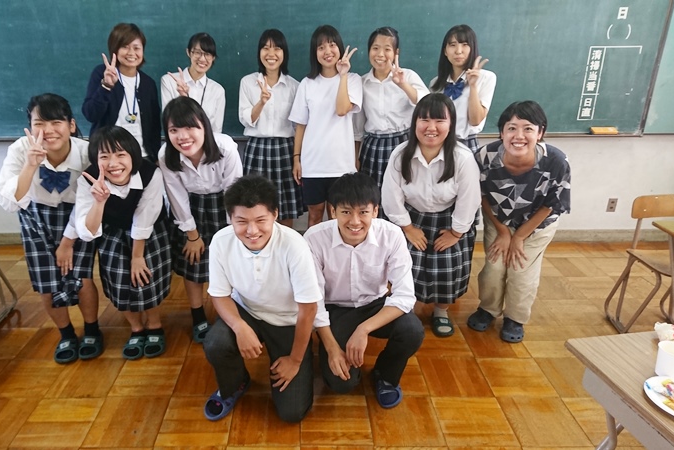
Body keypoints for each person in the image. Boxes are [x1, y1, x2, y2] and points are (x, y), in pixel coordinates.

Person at [202, 174, 320, 423]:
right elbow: (219, 295)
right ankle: (235, 383)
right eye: (241, 221)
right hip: (247, 311)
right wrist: (239, 326)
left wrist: (295, 360)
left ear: (275, 214)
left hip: (288, 320)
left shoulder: (294, 245)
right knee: (215, 343)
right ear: (230, 218)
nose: (252, 231)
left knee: (292, 412)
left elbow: (308, 309)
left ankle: (302, 358)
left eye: (260, 220)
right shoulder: (221, 241)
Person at [0, 93, 101, 364]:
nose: (48, 131)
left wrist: (67, 243)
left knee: (81, 277)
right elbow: (10, 201)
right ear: (30, 127)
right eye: (39, 124)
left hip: (76, 216)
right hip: (35, 217)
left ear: (71, 125)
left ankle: (92, 330)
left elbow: (88, 200)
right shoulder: (20, 149)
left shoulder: (86, 152)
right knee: (46, 283)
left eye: (56, 122)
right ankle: (66, 334)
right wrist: (31, 165)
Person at [304, 172, 423, 409]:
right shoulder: (314, 239)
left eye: (363, 212)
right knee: (341, 384)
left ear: (375, 211)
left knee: (412, 330)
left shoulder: (391, 235)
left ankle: (385, 375)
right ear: (333, 211)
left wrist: (364, 329)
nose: (355, 221)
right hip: (335, 309)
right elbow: (314, 301)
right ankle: (336, 358)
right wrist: (331, 348)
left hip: (375, 304)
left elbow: (404, 296)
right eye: (346, 212)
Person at [467, 101, 571, 343]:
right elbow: (481, 195)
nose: (519, 136)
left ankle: (515, 318)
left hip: (537, 226)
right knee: (494, 267)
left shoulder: (556, 161)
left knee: (520, 270)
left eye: (528, 129)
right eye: (511, 128)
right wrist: (504, 233)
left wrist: (520, 236)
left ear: (540, 133)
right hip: (498, 220)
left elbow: (550, 205)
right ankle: (488, 309)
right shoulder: (484, 156)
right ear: (502, 132)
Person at [381, 93, 481, 338]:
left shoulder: (462, 157)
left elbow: (469, 200)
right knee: (405, 263)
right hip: (409, 219)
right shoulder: (400, 154)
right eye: (424, 120)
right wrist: (407, 228)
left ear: (451, 124)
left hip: (449, 220)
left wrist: (456, 233)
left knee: (446, 267)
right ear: (415, 122)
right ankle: (406, 307)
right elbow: (391, 195)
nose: (431, 127)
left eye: (439, 120)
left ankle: (441, 311)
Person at [75, 126, 171, 360]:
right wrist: (99, 202)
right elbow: (87, 231)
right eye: (104, 156)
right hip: (113, 233)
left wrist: (137, 257)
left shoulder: (150, 172)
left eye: (120, 154)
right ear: (95, 159)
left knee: (148, 279)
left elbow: (145, 216)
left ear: (132, 155)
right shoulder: (88, 180)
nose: (113, 163)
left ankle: (154, 324)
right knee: (119, 282)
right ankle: (136, 328)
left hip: (149, 232)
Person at [159, 97, 242, 343]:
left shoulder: (225, 147)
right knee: (193, 263)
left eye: (190, 127)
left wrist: (233, 234)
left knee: (230, 264)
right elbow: (176, 196)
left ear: (204, 125)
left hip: (224, 206)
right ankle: (198, 317)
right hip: (190, 209)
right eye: (174, 130)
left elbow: (234, 192)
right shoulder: (166, 155)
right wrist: (192, 235)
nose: (183, 137)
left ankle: (231, 314)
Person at [289, 24, 363, 227]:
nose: (327, 51)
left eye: (332, 45)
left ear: (339, 47)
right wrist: (296, 159)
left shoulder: (353, 80)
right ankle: (312, 250)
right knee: (314, 216)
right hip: (313, 164)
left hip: (341, 164)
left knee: (337, 218)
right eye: (321, 47)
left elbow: (342, 109)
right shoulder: (307, 83)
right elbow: (300, 125)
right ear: (315, 53)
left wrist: (343, 75)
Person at [238, 29, 303, 228]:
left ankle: (284, 246)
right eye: (266, 48)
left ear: (284, 53)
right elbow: (246, 120)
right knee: (255, 206)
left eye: (277, 48)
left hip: (285, 150)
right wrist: (262, 102)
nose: (271, 54)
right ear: (259, 52)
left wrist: (297, 158)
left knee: (284, 210)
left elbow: (298, 125)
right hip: (257, 149)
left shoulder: (294, 86)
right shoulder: (248, 82)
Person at [354, 27, 429, 191]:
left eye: (387, 49)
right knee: (374, 194)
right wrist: (355, 157)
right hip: (374, 147)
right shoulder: (362, 82)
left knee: (406, 192)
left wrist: (403, 84)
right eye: (375, 48)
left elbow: (427, 105)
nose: (380, 54)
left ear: (396, 52)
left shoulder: (408, 76)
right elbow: (357, 128)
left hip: (404, 143)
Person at [82, 23, 161, 162]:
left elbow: (155, 125)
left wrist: (155, 155)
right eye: (125, 46)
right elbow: (91, 114)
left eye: (136, 48)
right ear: (115, 49)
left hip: (143, 156)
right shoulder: (101, 74)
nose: (131, 53)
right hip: (109, 157)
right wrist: (106, 86)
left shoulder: (148, 83)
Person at [429, 24, 495, 154]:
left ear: (472, 48)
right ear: (445, 51)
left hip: (467, 144)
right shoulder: (435, 84)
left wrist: (473, 86)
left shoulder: (486, 77)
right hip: (439, 144)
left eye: (465, 45)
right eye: (452, 45)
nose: (458, 51)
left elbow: (475, 121)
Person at [161, 32, 226, 133]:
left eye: (207, 54)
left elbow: (216, 130)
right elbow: (169, 120)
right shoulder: (169, 81)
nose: (202, 59)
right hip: (179, 139)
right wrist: (183, 97)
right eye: (197, 52)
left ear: (213, 58)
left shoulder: (217, 90)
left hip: (206, 142)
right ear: (188, 52)